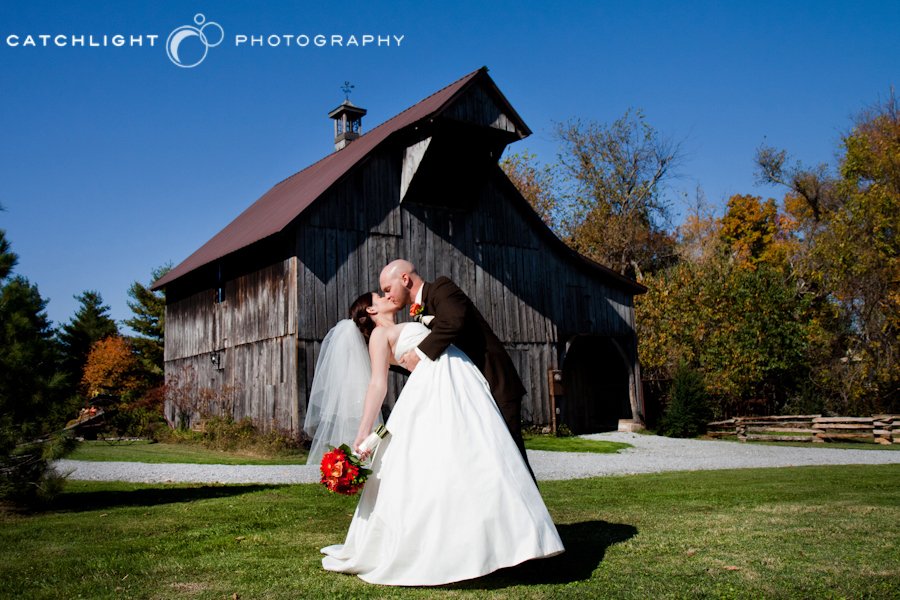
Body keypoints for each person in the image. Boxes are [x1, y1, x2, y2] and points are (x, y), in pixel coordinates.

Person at [320, 292, 564, 586]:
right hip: (432, 391)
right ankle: (445, 548)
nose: (388, 295)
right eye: (380, 295)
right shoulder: (380, 335)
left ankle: (509, 542)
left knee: (481, 457)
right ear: (371, 309)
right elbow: (377, 383)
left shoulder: (410, 320)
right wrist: (364, 431)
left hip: (458, 384)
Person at [379, 259, 532, 472]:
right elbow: (429, 362)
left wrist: (419, 353)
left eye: (387, 289)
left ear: (405, 279)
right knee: (488, 460)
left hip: (494, 382)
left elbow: (453, 321)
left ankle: (529, 506)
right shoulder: (417, 315)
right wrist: (385, 362)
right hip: (470, 393)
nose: (387, 296)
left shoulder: (442, 288)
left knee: (513, 459)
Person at [302, 319, 382, 464]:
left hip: (356, 385)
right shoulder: (358, 353)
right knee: (357, 422)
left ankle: (349, 462)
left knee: (355, 424)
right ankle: (352, 462)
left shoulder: (353, 349)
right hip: (358, 385)